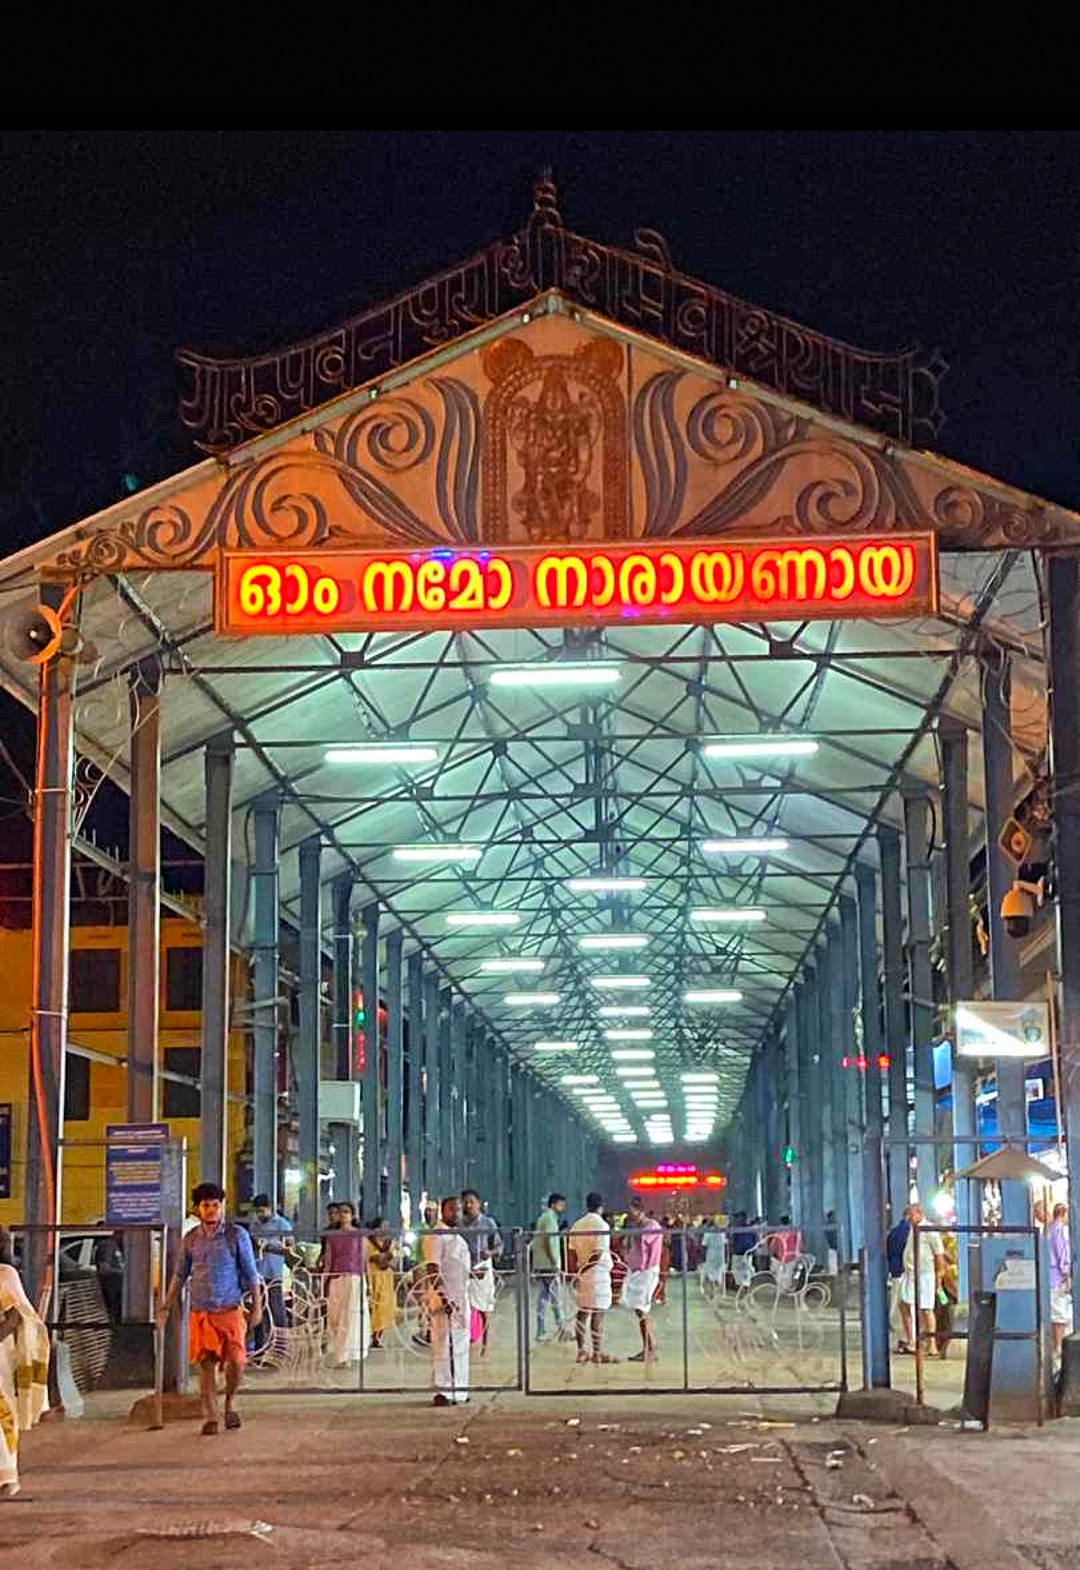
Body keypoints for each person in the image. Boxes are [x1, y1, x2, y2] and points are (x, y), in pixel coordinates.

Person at [158, 1182, 263, 1437]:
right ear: (198, 1209)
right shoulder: (190, 1240)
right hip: (201, 1311)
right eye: (206, 1205)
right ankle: (211, 1416)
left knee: (236, 1363)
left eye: (216, 1205)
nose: (212, 1210)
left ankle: (230, 1402)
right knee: (206, 1364)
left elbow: (251, 1274)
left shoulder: (236, 1235)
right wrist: (166, 1305)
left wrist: (257, 1307)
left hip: (230, 1309)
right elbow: (179, 1275)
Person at [0, 1228, 49, 1499]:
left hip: (0, 1353)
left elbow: (19, 1317)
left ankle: (8, 1477)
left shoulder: (5, 1275)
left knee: (3, 1413)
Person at [422, 1195, 471, 1406]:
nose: (457, 1213)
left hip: (460, 1295)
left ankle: (460, 1388)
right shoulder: (437, 1236)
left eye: (459, 1210)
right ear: (443, 1211)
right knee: (444, 1342)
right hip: (445, 1297)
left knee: (460, 1342)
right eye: (452, 1209)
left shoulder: (457, 1237)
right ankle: (444, 1390)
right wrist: (443, 1296)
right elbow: (433, 1268)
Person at [569, 1191, 617, 1365]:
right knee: (598, 1313)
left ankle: (581, 1351)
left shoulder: (577, 1225)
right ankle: (597, 1351)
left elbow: (571, 1252)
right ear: (600, 1206)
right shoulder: (602, 1225)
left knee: (582, 1312)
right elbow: (598, 1254)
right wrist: (586, 1268)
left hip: (583, 1273)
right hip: (598, 1274)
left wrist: (576, 1272)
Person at [321, 1201, 370, 1368]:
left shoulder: (360, 1235)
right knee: (335, 1315)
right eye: (341, 1212)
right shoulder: (332, 1236)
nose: (343, 1215)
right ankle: (338, 1351)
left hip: (354, 1279)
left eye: (346, 1212)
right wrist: (324, 1282)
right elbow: (329, 1260)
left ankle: (347, 1354)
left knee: (350, 1317)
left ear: (353, 1215)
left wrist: (368, 1283)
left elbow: (364, 1261)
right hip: (337, 1278)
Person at [461, 1188, 502, 1358]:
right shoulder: (459, 1225)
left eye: (472, 1201)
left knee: (485, 1307)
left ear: (479, 1203)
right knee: (464, 1304)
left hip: (483, 1267)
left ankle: (486, 1342)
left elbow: (499, 1245)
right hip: (464, 1267)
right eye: (466, 1202)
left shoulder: (488, 1223)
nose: (469, 1205)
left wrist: (490, 1253)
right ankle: (464, 1339)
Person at [622, 1196, 663, 1363]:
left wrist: (643, 1269)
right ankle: (649, 1346)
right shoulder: (637, 1227)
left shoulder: (652, 1227)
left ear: (640, 1210)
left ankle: (650, 1348)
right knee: (640, 1310)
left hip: (647, 1272)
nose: (631, 1215)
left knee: (641, 1309)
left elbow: (649, 1252)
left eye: (633, 1211)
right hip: (637, 1271)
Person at [247, 1193, 294, 1332]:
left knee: (276, 1308)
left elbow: (290, 1248)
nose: (259, 1214)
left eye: (262, 1211)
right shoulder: (254, 1225)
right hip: (257, 1273)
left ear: (270, 1208)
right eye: (257, 1212)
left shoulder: (282, 1224)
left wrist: (270, 1246)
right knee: (258, 1308)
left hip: (274, 1273)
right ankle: (260, 1344)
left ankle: (282, 1341)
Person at [901, 1202, 944, 1352]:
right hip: (911, 1274)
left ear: (919, 1214)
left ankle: (932, 1344)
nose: (909, 1218)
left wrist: (939, 1276)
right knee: (905, 1304)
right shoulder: (912, 1230)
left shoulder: (930, 1230)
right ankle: (913, 1340)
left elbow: (939, 1255)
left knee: (926, 1308)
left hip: (925, 1274)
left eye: (911, 1215)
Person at [531, 1192, 567, 1341]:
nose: (563, 1207)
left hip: (540, 1264)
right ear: (553, 1204)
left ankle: (541, 1330)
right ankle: (561, 1329)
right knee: (555, 1298)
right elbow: (550, 1242)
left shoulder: (543, 1218)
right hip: (548, 1265)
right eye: (561, 1204)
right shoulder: (550, 1219)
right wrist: (554, 1262)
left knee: (544, 1298)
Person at [365, 1217, 396, 1350]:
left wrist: (385, 1259)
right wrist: (375, 1258)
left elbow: (394, 1260)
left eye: (386, 1227)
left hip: (386, 1278)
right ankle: (371, 1335)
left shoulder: (391, 1242)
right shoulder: (367, 1242)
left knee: (384, 1307)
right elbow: (366, 1258)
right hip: (372, 1277)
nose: (384, 1230)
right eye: (381, 1226)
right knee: (373, 1306)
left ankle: (378, 1336)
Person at [1047, 1202, 1073, 1366]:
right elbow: (1062, 1253)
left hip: (1050, 1277)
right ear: (1063, 1214)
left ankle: (1056, 1346)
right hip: (1056, 1278)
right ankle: (1058, 1347)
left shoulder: (1048, 1229)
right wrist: (1066, 1274)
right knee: (1060, 1315)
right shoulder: (1059, 1230)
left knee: (1056, 1314)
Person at [887, 1206, 914, 1353]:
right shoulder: (909, 1232)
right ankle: (909, 1339)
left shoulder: (895, 1232)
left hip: (897, 1272)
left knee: (897, 1309)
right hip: (907, 1273)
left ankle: (904, 1339)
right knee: (907, 1308)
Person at [935, 1229, 960, 1360]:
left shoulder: (951, 1243)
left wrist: (942, 1254)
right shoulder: (946, 1242)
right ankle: (940, 1342)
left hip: (947, 1287)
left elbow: (953, 1260)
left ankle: (943, 1343)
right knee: (941, 1313)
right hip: (942, 1286)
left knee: (946, 1313)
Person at [700, 1215, 727, 1300]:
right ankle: (719, 1293)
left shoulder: (708, 1233)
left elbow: (704, 1245)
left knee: (711, 1275)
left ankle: (712, 1293)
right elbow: (726, 1245)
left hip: (711, 1255)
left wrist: (702, 1258)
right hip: (720, 1256)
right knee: (718, 1275)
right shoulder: (723, 1233)